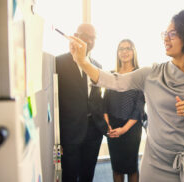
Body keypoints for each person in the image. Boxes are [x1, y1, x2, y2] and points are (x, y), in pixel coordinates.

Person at [69, 9, 184, 182]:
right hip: (156, 163)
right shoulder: (150, 74)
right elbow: (114, 81)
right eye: (165, 33)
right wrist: (82, 62)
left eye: (172, 34)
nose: (166, 38)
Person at [56, 23, 107, 182]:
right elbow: (55, 100)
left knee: (88, 174)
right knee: (69, 175)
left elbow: (96, 98)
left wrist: (103, 124)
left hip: (93, 131)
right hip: (70, 132)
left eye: (93, 38)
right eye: (85, 35)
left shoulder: (97, 66)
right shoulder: (59, 62)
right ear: (75, 36)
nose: (89, 40)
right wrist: (58, 137)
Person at [103, 39, 145, 182]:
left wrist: (124, 129)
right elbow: (105, 102)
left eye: (128, 48)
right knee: (116, 167)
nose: (125, 52)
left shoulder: (139, 75)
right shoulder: (111, 74)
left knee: (132, 167)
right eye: (121, 49)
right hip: (112, 126)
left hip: (131, 127)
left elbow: (139, 106)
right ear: (117, 53)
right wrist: (107, 125)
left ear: (134, 51)